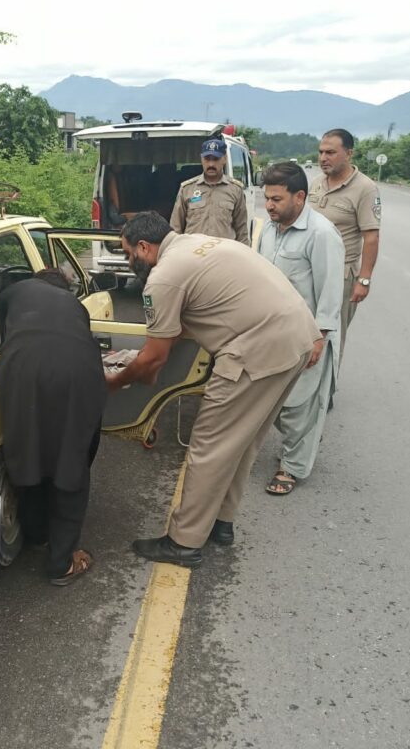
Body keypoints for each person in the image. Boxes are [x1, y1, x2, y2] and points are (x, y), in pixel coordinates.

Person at [106, 212, 321, 568]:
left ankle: (183, 542)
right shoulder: (197, 244)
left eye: (129, 254)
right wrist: (135, 355)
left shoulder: (163, 278)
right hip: (297, 337)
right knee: (243, 441)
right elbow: (176, 331)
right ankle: (221, 523)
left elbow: (155, 358)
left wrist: (116, 380)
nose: (130, 263)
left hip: (256, 350)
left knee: (209, 446)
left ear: (144, 247)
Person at [0, 268, 107, 585]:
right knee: (70, 458)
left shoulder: (13, 293)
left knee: (28, 447)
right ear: (62, 288)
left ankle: (36, 534)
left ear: (36, 280)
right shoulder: (76, 307)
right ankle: (61, 563)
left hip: (20, 368)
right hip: (78, 372)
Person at [257, 163, 345, 495]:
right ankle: (302, 442)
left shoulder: (321, 234)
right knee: (275, 402)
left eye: (276, 199)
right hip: (271, 333)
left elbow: (330, 292)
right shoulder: (269, 229)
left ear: (300, 197)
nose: (269, 205)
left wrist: (319, 339)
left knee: (300, 404)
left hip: (306, 335)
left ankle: (291, 468)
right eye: (267, 198)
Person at [308, 128, 381, 360]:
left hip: (341, 275)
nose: (323, 158)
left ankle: (326, 393)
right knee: (307, 333)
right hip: (310, 271)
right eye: (321, 152)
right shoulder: (317, 183)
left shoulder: (365, 188)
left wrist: (364, 280)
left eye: (330, 152)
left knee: (331, 337)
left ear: (349, 154)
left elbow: (371, 237)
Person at [169, 138, 249, 245]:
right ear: (201, 159)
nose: (211, 164)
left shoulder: (235, 190)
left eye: (216, 159)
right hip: (193, 254)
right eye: (207, 159)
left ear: (224, 159)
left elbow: (241, 230)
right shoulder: (187, 189)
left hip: (224, 254)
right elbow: (176, 228)